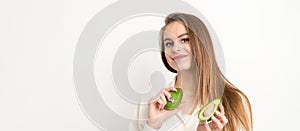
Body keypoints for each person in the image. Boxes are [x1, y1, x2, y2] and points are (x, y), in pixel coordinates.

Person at [131, 13, 252, 131]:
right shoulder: (147, 104)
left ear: (202, 43)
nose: (175, 48)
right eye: (168, 43)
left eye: (184, 40)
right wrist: (152, 125)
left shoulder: (234, 102)